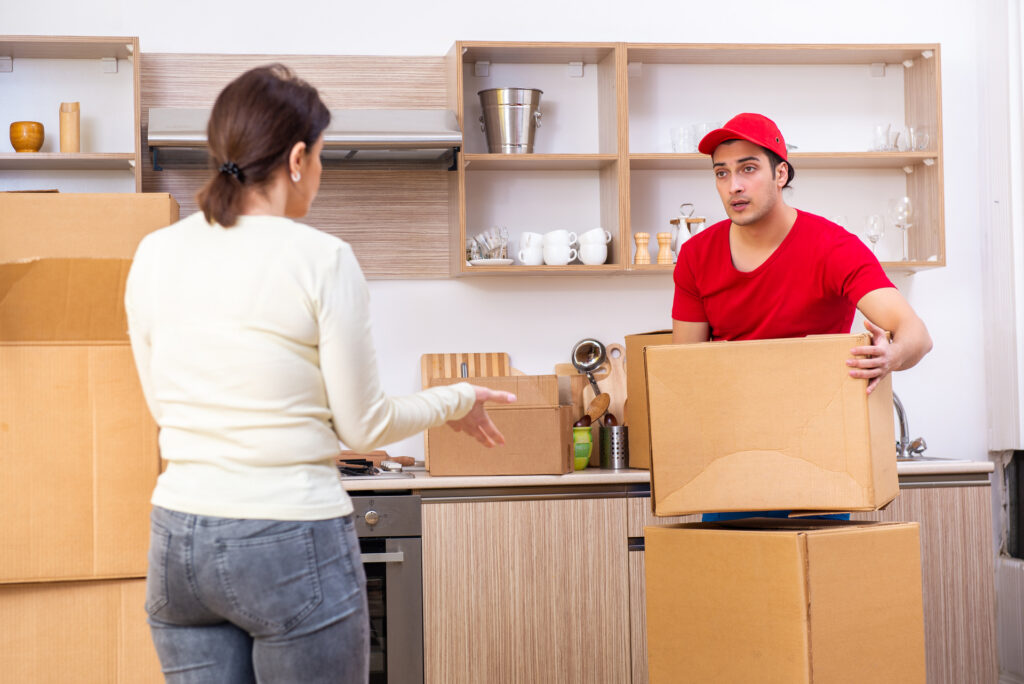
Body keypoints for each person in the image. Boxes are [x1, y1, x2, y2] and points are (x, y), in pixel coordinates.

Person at [125, 64, 514, 684]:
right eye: (323, 156)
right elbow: (365, 427)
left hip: (179, 539)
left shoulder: (154, 254)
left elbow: (162, 407)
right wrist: (457, 397)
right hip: (288, 534)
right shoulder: (321, 257)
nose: (321, 172)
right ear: (297, 158)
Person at [671, 112, 933, 522]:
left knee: (817, 563)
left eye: (748, 169)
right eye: (722, 173)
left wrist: (891, 357)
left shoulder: (832, 247)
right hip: (733, 459)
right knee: (731, 564)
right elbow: (683, 370)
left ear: (781, 174)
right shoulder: (695, 256)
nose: (734, 185)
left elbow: (916, 334)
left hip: (822, 456)